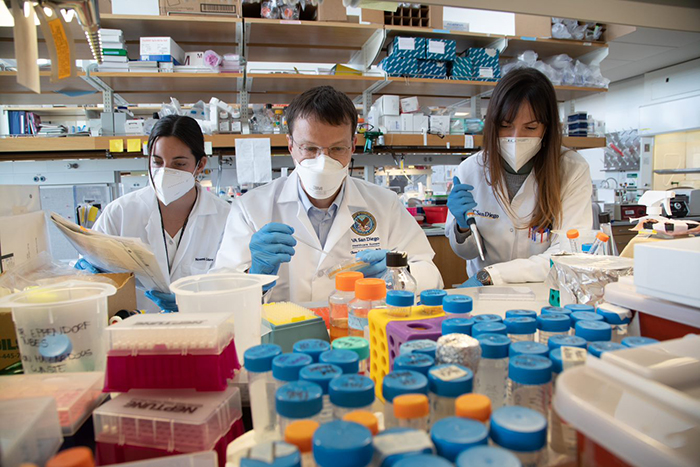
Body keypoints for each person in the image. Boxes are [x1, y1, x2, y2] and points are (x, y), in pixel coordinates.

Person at [212, 86, 442, 302]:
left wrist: (399, 271)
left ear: (353, 146)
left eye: (337, 149)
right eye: (310, 148)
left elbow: (432, 275)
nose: (323, 161)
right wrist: (256, 276)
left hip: (360, 331)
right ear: (291, 145)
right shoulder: (251, 208)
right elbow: (219, 293)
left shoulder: (385, 204)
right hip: (281, 338)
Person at [446, 68, 593, 286]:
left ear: (547, 127)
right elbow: (467, 253)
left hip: (545, 292)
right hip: (486, 295)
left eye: (530, 127)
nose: (516, 137)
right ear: (493, 124)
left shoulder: (571, 169)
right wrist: (461, 227)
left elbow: (567, 253)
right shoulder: (470, 169)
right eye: (506, 126)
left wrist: (492, 276)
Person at [76, 115, 231, 311]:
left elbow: (235, 287)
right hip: (136, 331)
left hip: (207, 328)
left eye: (179, 164)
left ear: (200, 165)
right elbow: (95, 283)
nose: (165, 171)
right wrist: (89, 274)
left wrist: (195, 303)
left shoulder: (226, 217)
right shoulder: (120, 213)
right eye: (157, 162)